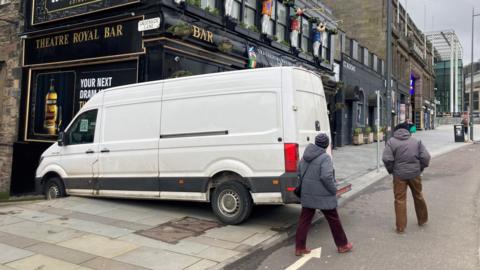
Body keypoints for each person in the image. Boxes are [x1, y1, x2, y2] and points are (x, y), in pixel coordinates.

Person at [295, 133, 353, 256]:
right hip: (323, 195)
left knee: (304, 221)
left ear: (316, 143)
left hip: (308, 193)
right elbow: (326, 176)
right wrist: (333, 189)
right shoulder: (325, 157)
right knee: (334, 220)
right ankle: (342, 245)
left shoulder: (305, 155)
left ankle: (299, 248)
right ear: (326, 145)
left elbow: (299, 171)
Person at [382, 122, 431, 233]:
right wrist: (420, 168)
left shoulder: (391, 142)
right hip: (415, 174)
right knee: (418, 195)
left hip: (399, 175)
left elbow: (386, 158)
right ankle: (422, 220)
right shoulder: (416, 142)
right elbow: (426, 157)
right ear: (407, 131)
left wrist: (392, 170)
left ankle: (401, 227)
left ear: (396, 131)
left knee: (400, 200)